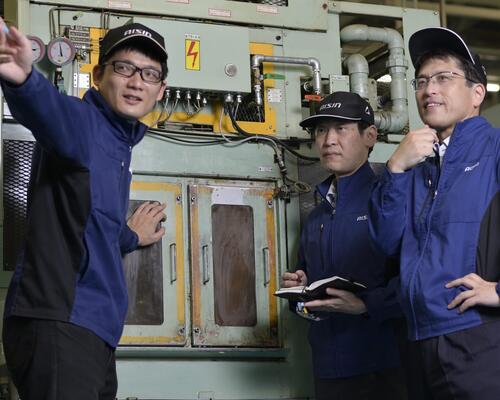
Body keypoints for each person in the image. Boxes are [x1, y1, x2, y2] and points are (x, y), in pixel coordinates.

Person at [0, 21, 168, 399]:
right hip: (61, 320)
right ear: (98, 75)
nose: (136, 82)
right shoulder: (84, 123)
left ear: (161, 90)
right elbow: (50, 111)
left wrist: (130, 236)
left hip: (92, 330)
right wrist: (23, 78)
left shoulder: (118, 146)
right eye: (124, 68)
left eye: (149, 74)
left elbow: (92, 226)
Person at [369, 27, 500, 399]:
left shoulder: (495, 151)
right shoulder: (415, 165)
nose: (429, 90)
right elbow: (386, 243)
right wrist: (396, 168)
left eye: (444, 78)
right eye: (423, 81)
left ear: (477, 94)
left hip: (479, 339)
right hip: (418, 339)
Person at [281, 91, 407, 400]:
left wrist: (365, 305)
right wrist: (299, 290)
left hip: (382, 365)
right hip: (328, 367)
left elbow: (417, 280)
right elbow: (307, 293)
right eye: (321, 130)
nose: (329, 140)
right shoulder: (317, 216)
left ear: (370, 135)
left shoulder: (389, 200)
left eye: (341, 129)